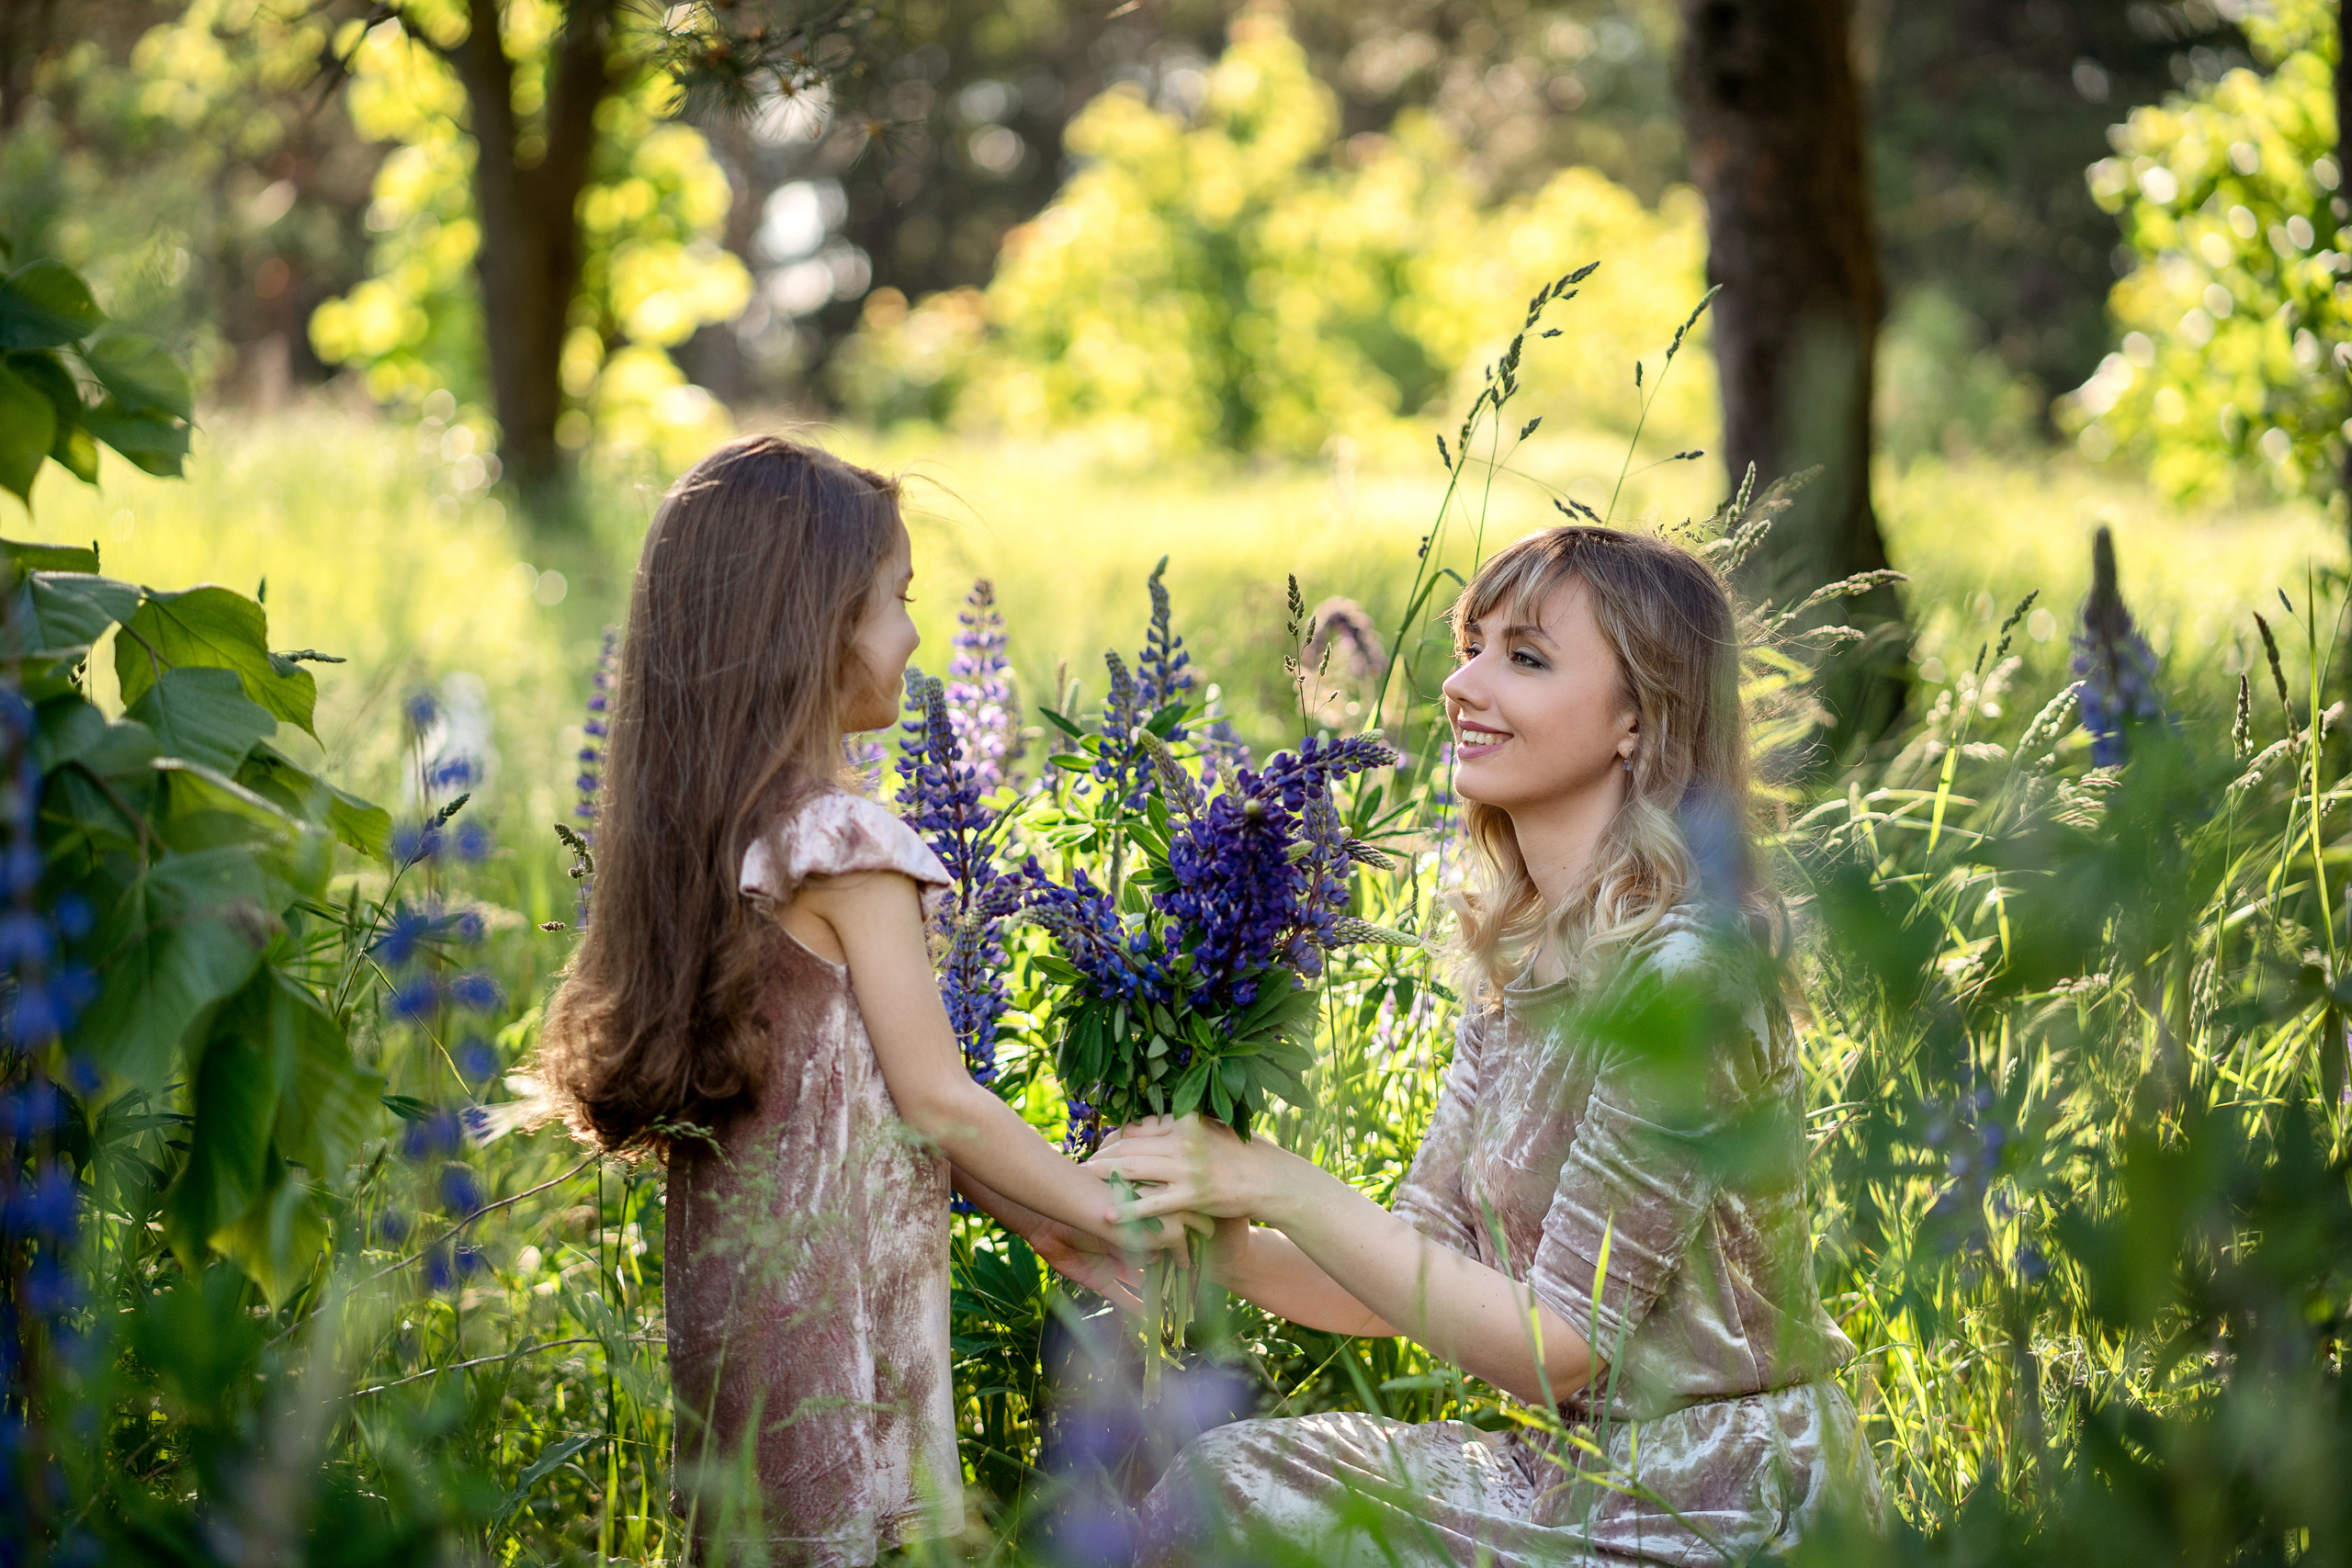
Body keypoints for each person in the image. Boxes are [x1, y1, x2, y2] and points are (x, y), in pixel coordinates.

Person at [1093, 525, 1884, 1565]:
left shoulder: (1688, 976)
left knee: (1241, 1499)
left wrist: (1272, 1181)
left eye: (1525, 657)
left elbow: (1558, 1350)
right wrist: (1208, 1247)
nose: (1461, 685)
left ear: (1639, 719)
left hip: (1719, 1495)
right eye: (1471, 647)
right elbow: (1419, 1263)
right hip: (1574, 1472)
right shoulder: (1524, 967)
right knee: (1224, 1483)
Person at [534, 435, 1191, 1567]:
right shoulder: (845, 844)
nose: (915, 636)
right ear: (817, 624)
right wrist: (1105, 1210)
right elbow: (938, 1099)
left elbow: (865, 1094)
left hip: (743, 1308)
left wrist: (1035, 1220)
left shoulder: (714, 842)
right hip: (841, 1318)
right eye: (898, 598)